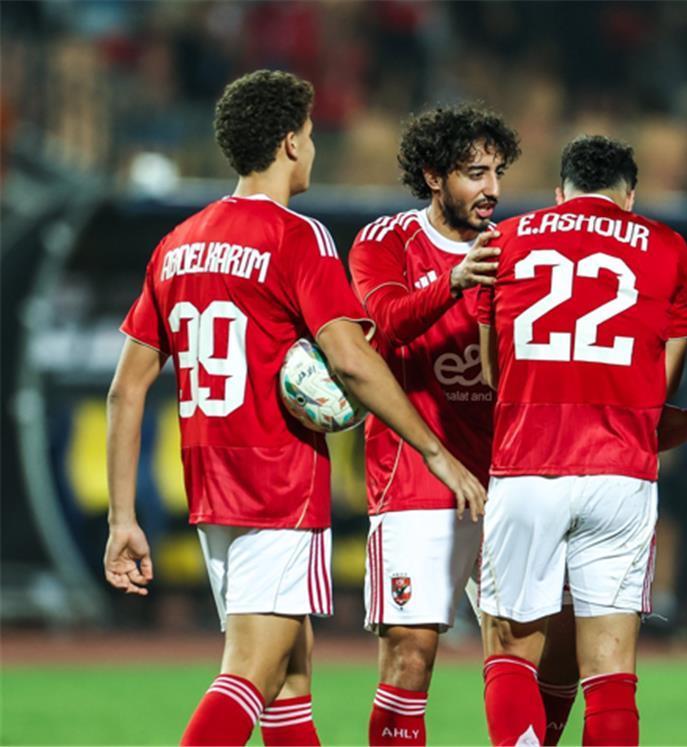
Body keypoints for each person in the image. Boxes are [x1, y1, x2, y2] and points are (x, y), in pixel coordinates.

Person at [104, 70, 485, 747]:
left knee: (289, 680)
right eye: (308, 135)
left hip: (209, 482)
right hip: (276, 480)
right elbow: (350, 359)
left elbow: (125, 389)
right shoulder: (296, 236)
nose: (312, 148)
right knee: (251, 671)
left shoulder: (178, 243)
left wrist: (122, 517)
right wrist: (435, 451)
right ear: (288, 143)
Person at [476, 135, 687, 746]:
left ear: (559, 193)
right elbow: (663, 381)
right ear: (629, 196)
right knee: (611, 672)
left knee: (511, 649)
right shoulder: (667, 246)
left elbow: (492, 371)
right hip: (621, 469)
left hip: (528, 461)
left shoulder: (505, 239)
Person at [347, 105, 521, 746]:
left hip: (506, 474)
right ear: (432, 176)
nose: (491, 189)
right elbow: (384, 323)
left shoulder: (517, 247)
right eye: (475, 173)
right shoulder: (385, 240)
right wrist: (453, 281)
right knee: (411, 654)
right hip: (415, 474)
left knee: (520, 649)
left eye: (497, 172)